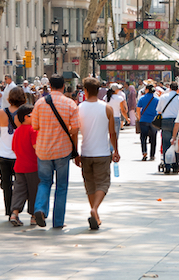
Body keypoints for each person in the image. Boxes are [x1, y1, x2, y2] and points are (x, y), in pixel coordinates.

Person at [32, 75, 79, 229]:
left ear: (49, 85)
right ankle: (58, 221)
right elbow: (75, 129)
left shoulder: (39, 103)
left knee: (44, 182)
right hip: (62, 150)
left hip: (43, 149)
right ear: (63, 86)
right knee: (62, 186)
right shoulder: (70, 104)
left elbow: (36, 126)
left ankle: (39, 208)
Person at [76, 77, 120, 229]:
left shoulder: (79, 108)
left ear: (85, 91)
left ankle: (96, 213)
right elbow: (112, 133)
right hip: (102, 152)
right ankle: (95, 209)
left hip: (86, 151)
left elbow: (74, 131)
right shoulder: (107, 108)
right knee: (103, 183)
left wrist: (75, 152)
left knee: (90, 184)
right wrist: (115, 150)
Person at [0, 86, 25, 220]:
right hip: (19, 154)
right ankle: (16, 209)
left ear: (8, 98)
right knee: (20, 183)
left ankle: (8, 210)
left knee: (6, 184)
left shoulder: (0, 113)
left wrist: (0, 145)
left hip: (3, 154)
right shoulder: (24, 114)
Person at [9, 104, 38, 226]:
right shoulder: (33, 130)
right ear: (27, 117)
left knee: (19, 190)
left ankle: (14, 213)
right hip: (33, 166)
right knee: (34, 191)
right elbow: (36, 148)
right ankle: (33, 216)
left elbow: (14, 148)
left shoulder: (17, 131)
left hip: (19, 166)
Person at [157, 82, 179, 173]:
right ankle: (176, 165)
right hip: (177, 121)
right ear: (177, 89)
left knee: (166, 143)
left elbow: (158, 110)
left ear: (169, 88)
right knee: (177, 143)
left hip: (165, 121)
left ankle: (167, 164)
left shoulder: (163, 97)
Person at [136, 84, 159, 161]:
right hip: (154, 121)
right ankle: (152, 155)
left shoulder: (142, 98)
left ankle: (144, 153)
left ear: (147, 90)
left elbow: (138, 109)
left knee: (143, 138)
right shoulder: (157, 99)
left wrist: (139, 118)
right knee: (153, 139)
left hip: (144, 120)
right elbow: (159, 110)